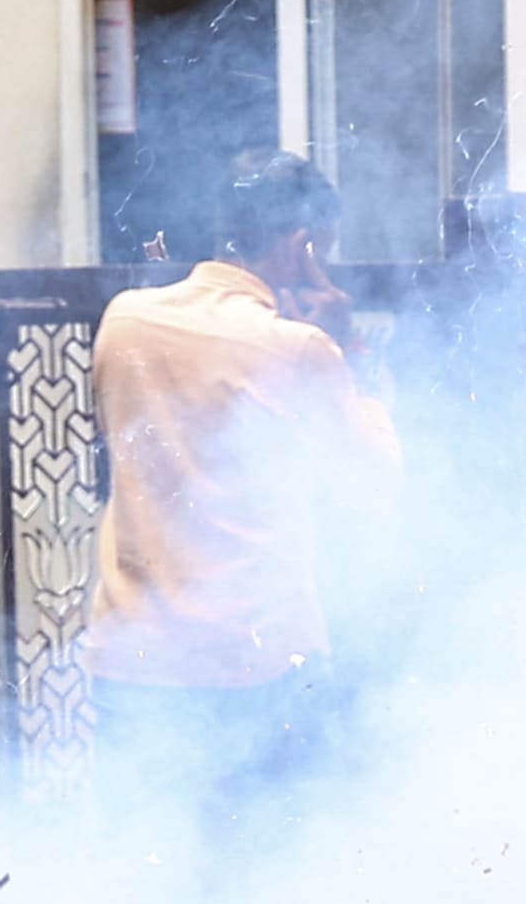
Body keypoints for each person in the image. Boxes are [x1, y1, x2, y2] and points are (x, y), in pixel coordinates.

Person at [88, 146, 402, 826]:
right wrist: (353, 350)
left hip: (132, 660)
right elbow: (374, 482)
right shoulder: (295, 348)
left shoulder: (125, 320)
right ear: (302, 243)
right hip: (253, 667)